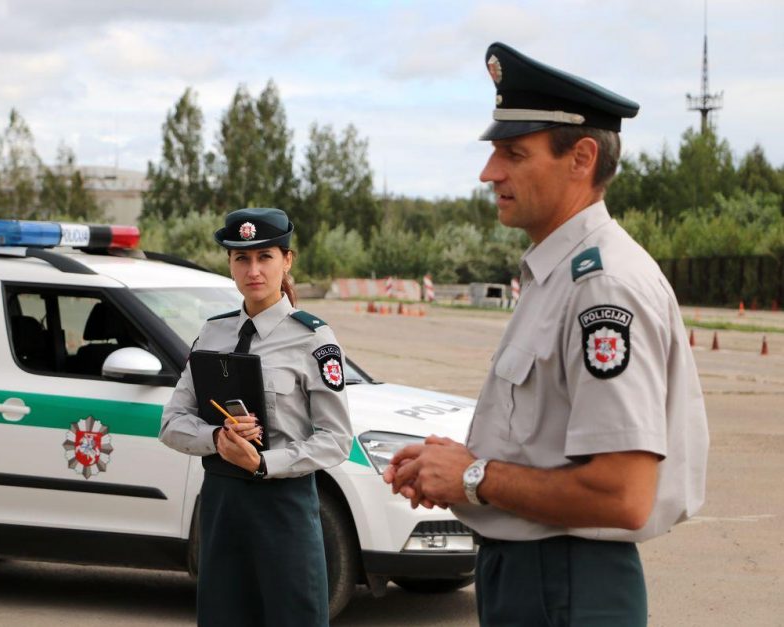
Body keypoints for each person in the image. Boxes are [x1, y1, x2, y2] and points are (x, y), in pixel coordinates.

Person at [384, 42, 709, 626]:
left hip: (566, 585)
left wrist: (474, 478)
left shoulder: (600, 287)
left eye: (513, 153)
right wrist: (461, 467)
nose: (489, 173)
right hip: (537, 576)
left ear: (581, 157)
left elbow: (622, 495)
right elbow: (547, 445)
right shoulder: (557, 274)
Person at [160, 207, 353, 627]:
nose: (253, 270)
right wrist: (216, 438)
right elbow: (172, 422)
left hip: (283, 509)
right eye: (241, 258)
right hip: (222, 506)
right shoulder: (213, 333)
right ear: (230, 264)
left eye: (265, 257)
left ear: (287, 260)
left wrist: (264, 462)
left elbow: (337, 439)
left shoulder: (313, 338)